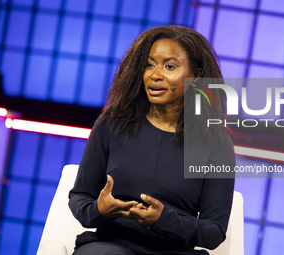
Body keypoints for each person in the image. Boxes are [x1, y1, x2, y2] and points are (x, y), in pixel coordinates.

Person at [69, 25, 236, 255]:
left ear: (196, 75)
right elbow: (80, 196)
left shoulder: (217, 144)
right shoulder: (111, 124)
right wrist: (99, 209)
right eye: (149, 65)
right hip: (111, 246)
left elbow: (214, 231)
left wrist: (163, 219)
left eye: (169, 66)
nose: (155, 75)